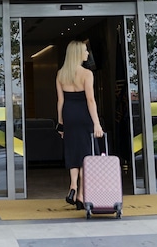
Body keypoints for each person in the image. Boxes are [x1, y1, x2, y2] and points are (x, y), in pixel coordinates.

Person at [56, 40, 104, 209]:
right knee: (86, 154)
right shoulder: (87, 74)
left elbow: (60, 101)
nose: (87, 53)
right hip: (84, 116)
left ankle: (73, 186)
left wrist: (61, 124)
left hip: (69, 115)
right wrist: (97, 123)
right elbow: (90, 100)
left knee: (73, 151)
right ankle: (81, 196)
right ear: (77, 54)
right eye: (85, 50)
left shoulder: (61, 74)